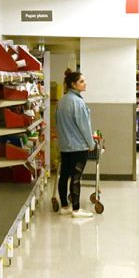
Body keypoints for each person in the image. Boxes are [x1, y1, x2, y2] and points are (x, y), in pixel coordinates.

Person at [55, 68, 95, 218]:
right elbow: (84, 126)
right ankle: (76, 209)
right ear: (73, 84)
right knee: (76, 176)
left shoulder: (62, 101)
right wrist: (91, 144)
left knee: (64, 175)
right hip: (78, 147)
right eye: (81, 81)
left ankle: (64, 206)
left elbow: (57, 123)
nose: (85, 84)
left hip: (65, 146)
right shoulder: (78, 102)